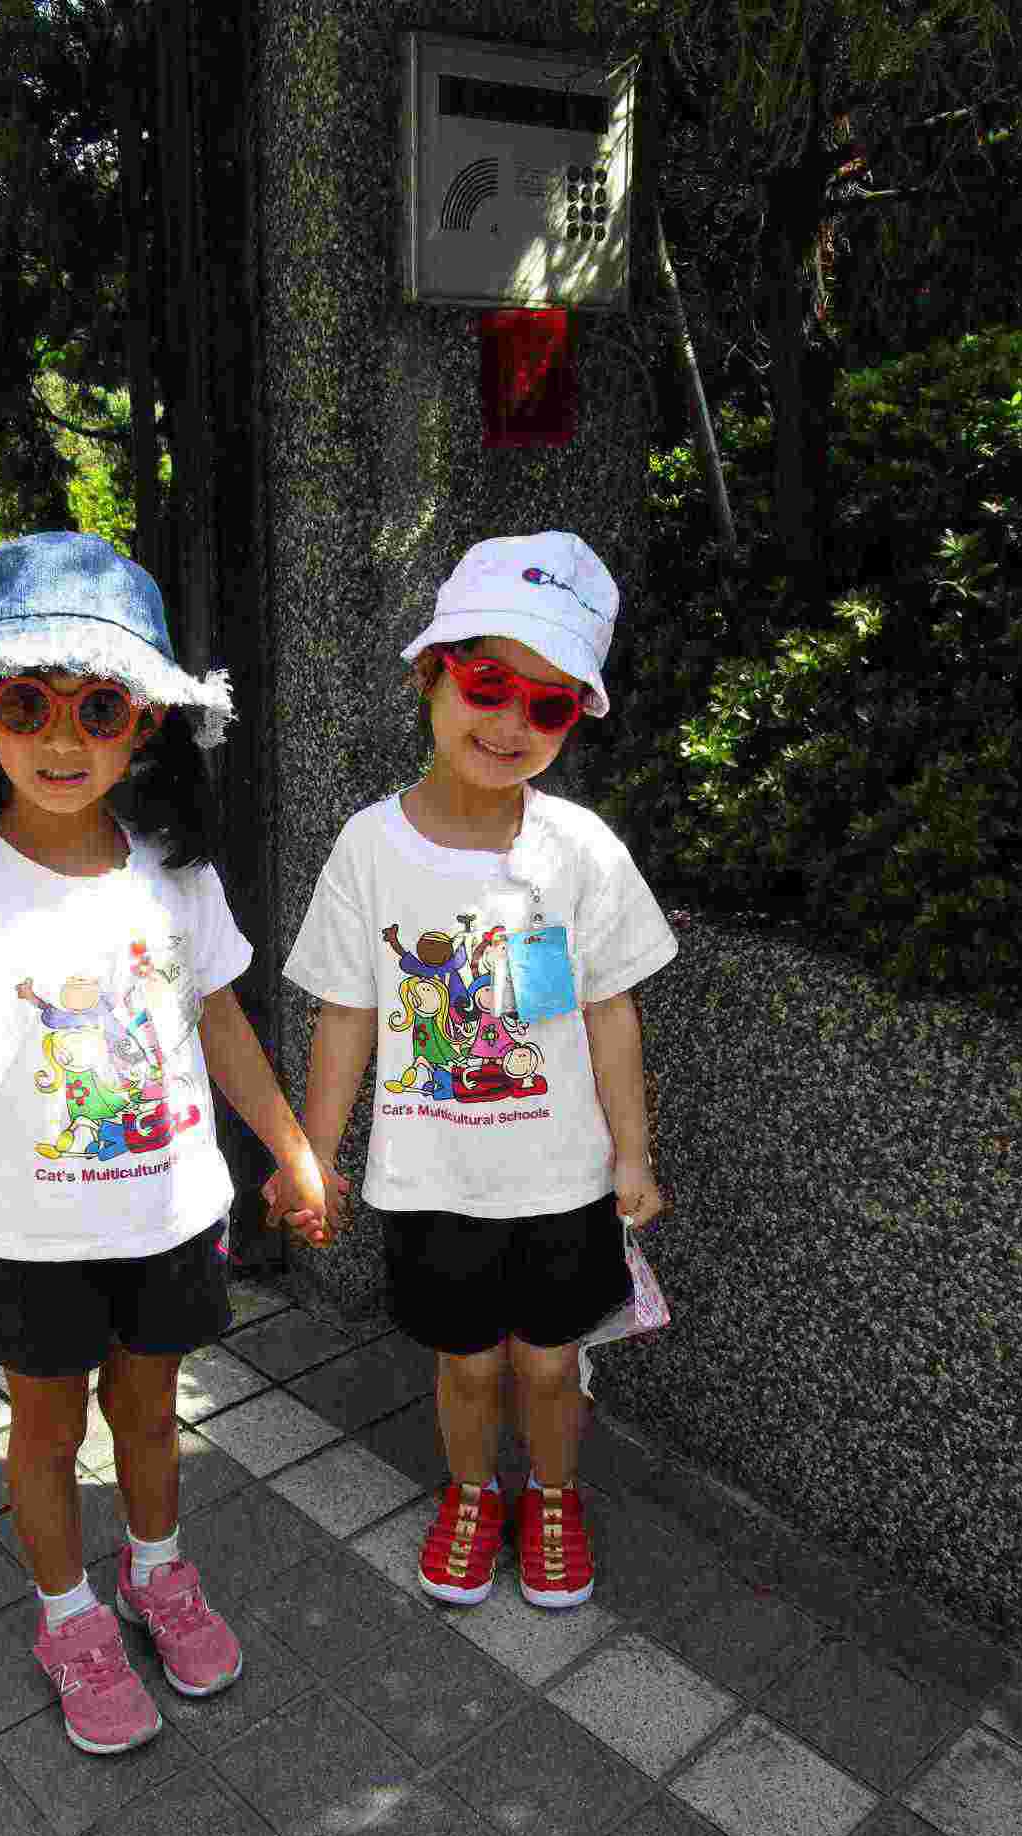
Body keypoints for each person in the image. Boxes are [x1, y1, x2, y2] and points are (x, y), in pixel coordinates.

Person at [0, 531, 328, 1754]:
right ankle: (68, 1615)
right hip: (26, 1240)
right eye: (28, 704)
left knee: (155, 1415)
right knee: (51, 1431)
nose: (63, 739)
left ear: (146, 724)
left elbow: (220, 1019)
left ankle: (156, 1570)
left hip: (168, 1218)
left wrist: (290, 1145)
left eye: (99, 707)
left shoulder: (176, 875)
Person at [284, 533, 677, 1608]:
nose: (510, 724)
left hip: (565, 1179)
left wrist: (633, 1154)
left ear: (574, 719)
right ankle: (470, 1493)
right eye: (489, 684)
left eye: (548, 705)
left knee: (549, 1364)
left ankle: (552, 1495)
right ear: (433, 673)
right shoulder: (369, 847)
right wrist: (315, 1153)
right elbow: (347, 1011)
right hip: (430, 1180)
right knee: (464, 1363)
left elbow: (610, 1008)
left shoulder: (580, 848)